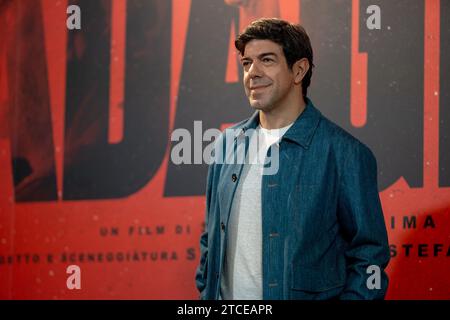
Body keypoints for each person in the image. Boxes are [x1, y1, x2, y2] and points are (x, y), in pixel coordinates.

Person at [195, 18, 390, 300]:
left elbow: (369, 256)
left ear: (299, 69)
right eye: (247, 63)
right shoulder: (226, 145)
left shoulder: (345, 154)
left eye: (267, 60)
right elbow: (210, 238)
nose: (253, 73)